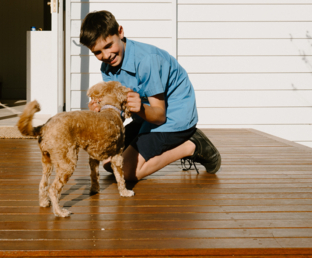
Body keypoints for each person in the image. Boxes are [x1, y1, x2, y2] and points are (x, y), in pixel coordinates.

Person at [79, 10, 221, 181]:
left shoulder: (147, 61)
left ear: (120, 32)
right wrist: (102, 113)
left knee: (125, 173)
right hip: (146, 118)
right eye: (98, 52)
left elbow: (160, 116)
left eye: (109, 45)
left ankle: (193, 145)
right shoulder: (107, 68)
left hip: (173, 117)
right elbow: (120, 114)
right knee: (108, 162)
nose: (106, 55)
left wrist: (139, 108)